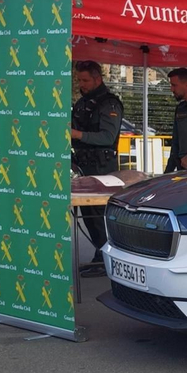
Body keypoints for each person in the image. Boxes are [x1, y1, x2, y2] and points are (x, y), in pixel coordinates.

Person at [70, 60, 122, 276]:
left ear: (97, 79)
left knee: (99, 215)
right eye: (79, 80)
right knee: (87, 214)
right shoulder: (84, 102)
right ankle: (100, 255)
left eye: (85, 80)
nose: (81, 84)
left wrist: (76, 134)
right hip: (83, 165)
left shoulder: (109, 103)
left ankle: (107, 257)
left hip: (102, 167)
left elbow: (107, 137)